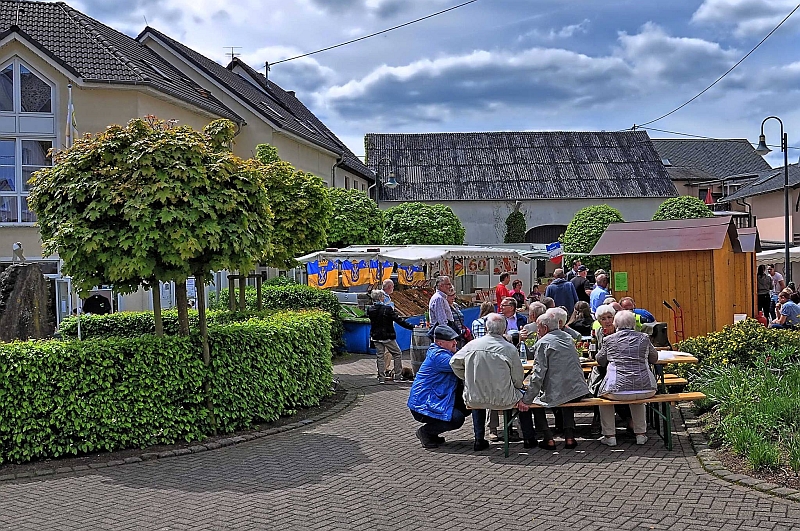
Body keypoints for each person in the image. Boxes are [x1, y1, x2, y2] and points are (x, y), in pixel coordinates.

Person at [450, 313, 537, 450]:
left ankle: (479, 440)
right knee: (524, 400)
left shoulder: (471, 345)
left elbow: (454, 362)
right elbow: (518, 378)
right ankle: (529, 438)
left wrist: (466, 377)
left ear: (486, 328)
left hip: (474, 396)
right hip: (503, 398)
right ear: (504, 329)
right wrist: (518, 387)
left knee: (478, 402)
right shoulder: (510, 349)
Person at [517, 310, 590, 450]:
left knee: (535, 401)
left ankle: (548, 438)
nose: (537, 331)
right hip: (579, 390)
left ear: (545, 328)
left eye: (538, 328)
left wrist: (527, 399)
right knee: (567, 395)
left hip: (561, 392)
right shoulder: (568, 338)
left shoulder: (544, 342)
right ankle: (569, 437)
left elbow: (538, 375)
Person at [595, 310, 658, 447]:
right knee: (637, 399)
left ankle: (610, 436)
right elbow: (654, 358)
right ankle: (641, 434)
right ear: (633, 324)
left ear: (616, 324)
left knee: (603, 400)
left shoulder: (609, 340)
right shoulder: (644, 338)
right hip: (646, 387)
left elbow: (600, 360)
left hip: (616, 389)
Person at [408, 326, 468, 448]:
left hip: (435, 399)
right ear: (440, 343)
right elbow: (464, 365)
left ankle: (432, 433)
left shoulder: (446, 352)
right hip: (423, 404)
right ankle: (426, 432)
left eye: (455, 340)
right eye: (451, 340)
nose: (455, 343)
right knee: (457, 419)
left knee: (467, 406)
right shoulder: (439, 357)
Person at [366, 290, 415, 384]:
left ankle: (381, 378)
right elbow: (399, 320)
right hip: (387, 336)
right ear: (381, 298)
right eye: (383, 296)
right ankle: (397, 376)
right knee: (397, 353)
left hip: (375, 336)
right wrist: (412, 327)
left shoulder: (370, 309)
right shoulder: (387, 309)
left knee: (380, 356)